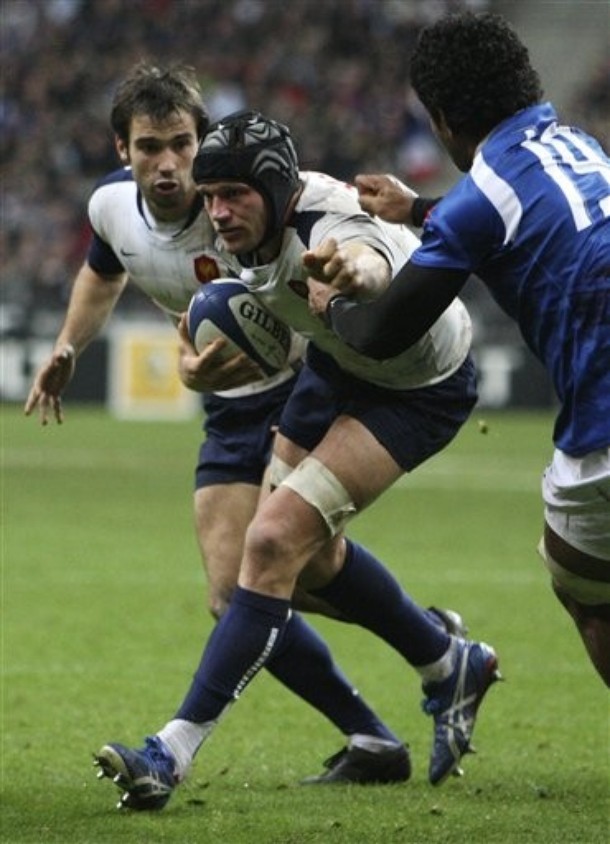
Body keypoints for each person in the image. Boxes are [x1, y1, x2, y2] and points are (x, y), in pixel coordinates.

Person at [23, 61, 471, 791]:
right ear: (122, 150)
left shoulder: (246, 202)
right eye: (149, 148)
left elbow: (352, 251)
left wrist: (353, 273)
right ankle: (418, 684)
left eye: (182, 145)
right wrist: (72, 347)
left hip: (317, 378)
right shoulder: (116, 207)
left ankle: (177, 750)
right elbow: (106, 275)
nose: (170, 166)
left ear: (204, 141)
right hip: (249, 399)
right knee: (255, 583)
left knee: (269, 557)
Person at [313, 11, 610, 685]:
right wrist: (418, 209)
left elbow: (383, 333)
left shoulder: (481, 200)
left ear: (442, 120)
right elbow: (505, 212)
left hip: (602, 429)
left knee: (587, 590)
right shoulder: (576, 144)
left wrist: (331, 306)